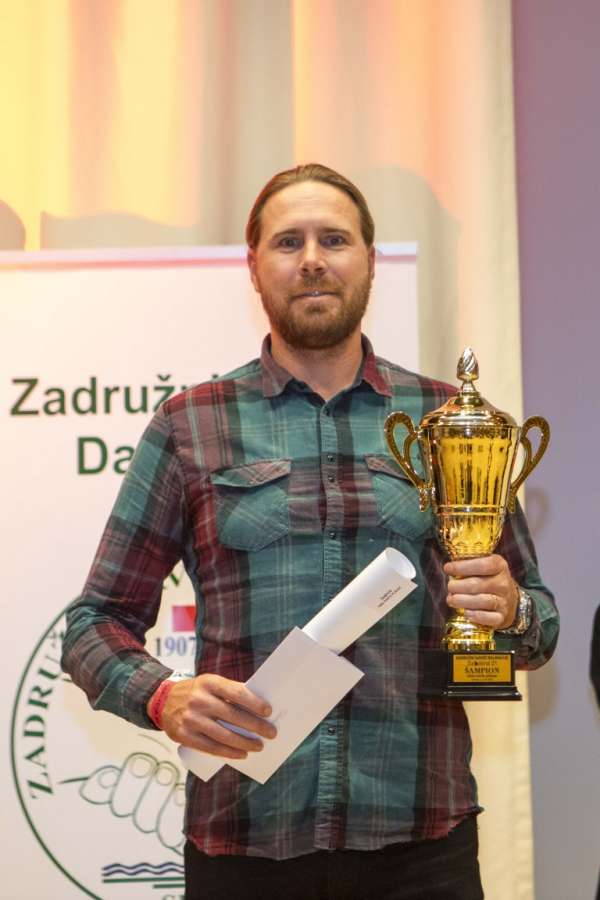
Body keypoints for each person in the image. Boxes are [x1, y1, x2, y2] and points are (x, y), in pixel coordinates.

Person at [62, 163, 559, 900]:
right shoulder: (190, 424)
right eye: (288, 242)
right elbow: (92, 625)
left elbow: (539, 627)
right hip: (245, 846)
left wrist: (510, 608)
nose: (313, 260)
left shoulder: (449, 422)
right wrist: (163, 696)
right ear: (254, 268)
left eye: (335, 239)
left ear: (370, 260)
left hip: (423, 849)